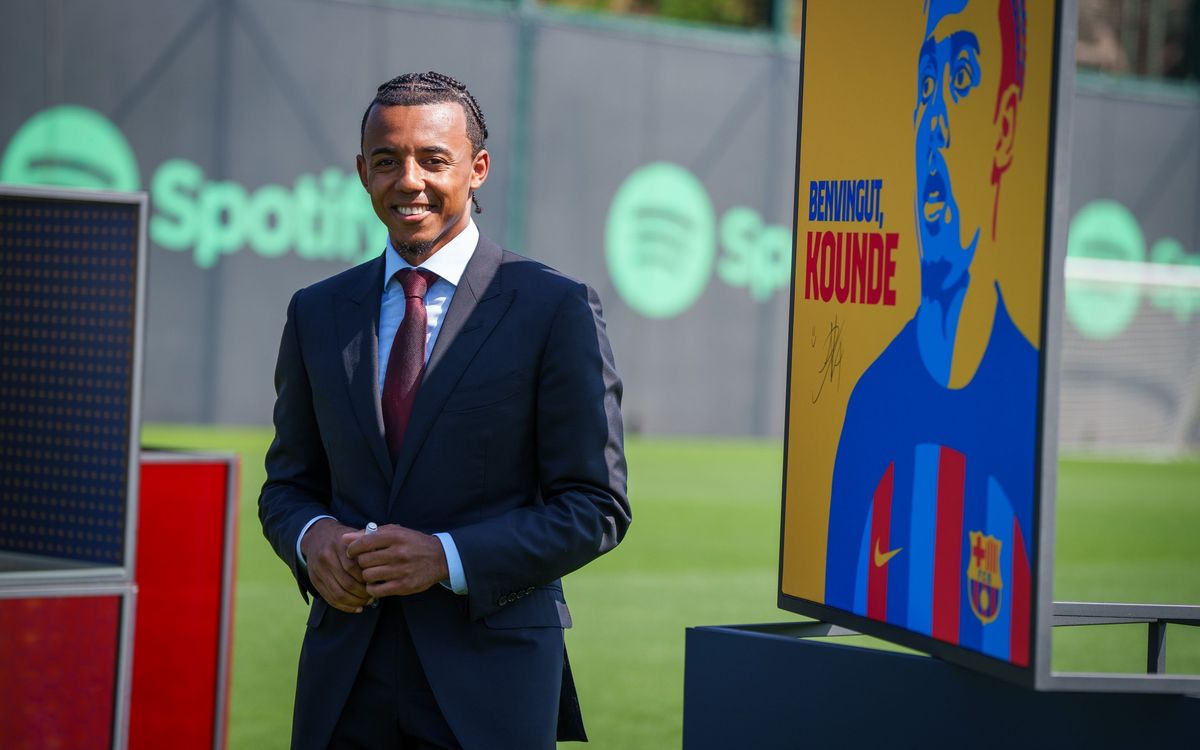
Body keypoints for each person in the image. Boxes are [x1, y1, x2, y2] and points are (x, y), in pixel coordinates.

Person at [258, 71, 631, 750]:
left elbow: (595, 507)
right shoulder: (316, 311)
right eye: (386, 161)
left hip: (492, 685)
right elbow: (287, 486)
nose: (409, 181)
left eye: (433, 159)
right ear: (362, 173)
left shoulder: (554, 307)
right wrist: (313, 538)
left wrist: (445, 557)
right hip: (344, 680)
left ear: (476, 168)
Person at [824, 0, 1036, 666]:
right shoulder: (868, 408)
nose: (935, 118)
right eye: (925, 83)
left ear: (1005, 128)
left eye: (962, 77)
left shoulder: (1028, 404)